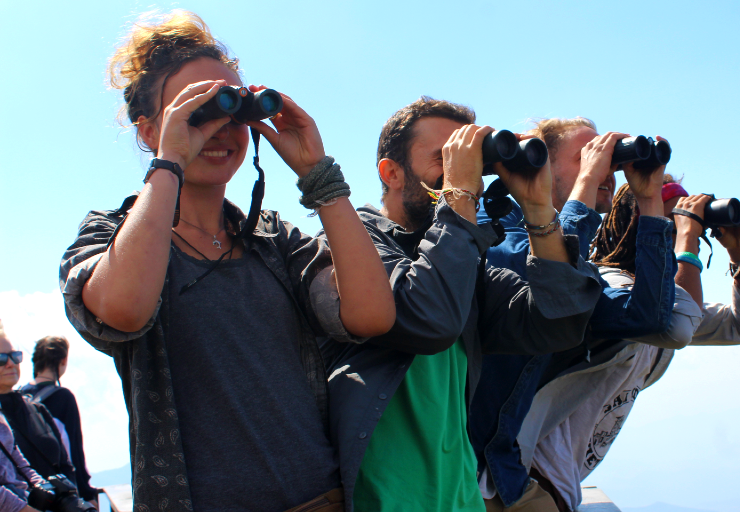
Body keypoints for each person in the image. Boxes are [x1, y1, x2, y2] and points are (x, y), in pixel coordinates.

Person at [58, 10, 395, 511]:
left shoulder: (273, 240)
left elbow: (371, 315)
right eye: (195, 111)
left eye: (233, 109)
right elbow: (124, 309)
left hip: (320, 500)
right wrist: (168, 163)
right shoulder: (108, 237)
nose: (219, 128)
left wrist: (319, 176)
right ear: (148, 131)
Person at [317, 97, 602, 512]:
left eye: (469, 161)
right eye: (446, 160)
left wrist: (539, 211)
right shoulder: (350, 247)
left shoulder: (463, 258)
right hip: (381, 501)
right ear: (390, 172)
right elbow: (427, 320)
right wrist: (460, 195)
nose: (464, 174)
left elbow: (558, 322)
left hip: (460, 498)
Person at [515, 180, 740, 511]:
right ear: (638, 224)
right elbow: (676, 319)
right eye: (667, 223)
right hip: (532, 476)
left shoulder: (662, 306)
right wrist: (687, 241)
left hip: (560, 483)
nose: (676, 235)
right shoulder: (606, 289)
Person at [469, 117, 677, 511]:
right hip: (452, 470)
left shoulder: (577, 256)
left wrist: (650, 201)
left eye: (608, 160)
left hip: (502, 474)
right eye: (586, 156)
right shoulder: (487, 220)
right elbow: (538, 282)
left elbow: (646, 319)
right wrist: (583, 190)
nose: (604, 171)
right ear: (536, 162)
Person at [19, 336, 98, 506]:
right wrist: (86, 492)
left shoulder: (19, 396)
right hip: (58, 490)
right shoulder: (63, 397)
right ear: (63, 360)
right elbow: (74, 449)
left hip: (27, 492)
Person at [0, 333, 76, 502]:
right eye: (1, 358)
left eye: (15, 356)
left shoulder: (38, 409)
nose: (11, 363)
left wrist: (74, 499)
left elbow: (66, 464)